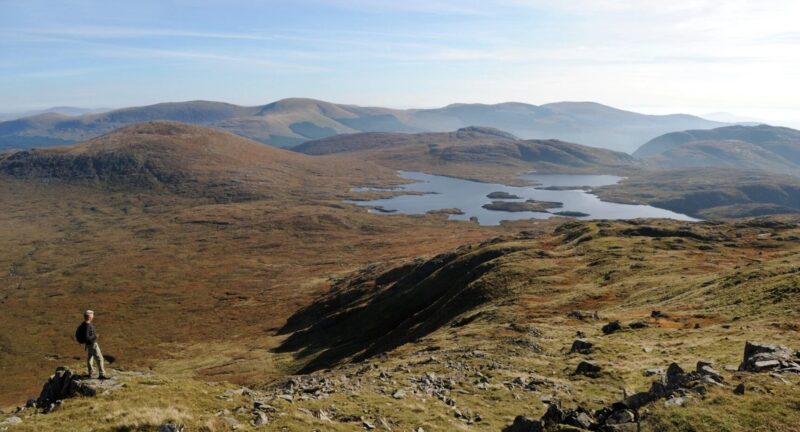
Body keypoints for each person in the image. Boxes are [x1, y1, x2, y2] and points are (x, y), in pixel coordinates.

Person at [75, 310, 108, 379]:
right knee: (100, 358)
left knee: (90, 358)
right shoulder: (87, 326)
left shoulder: (83, 324)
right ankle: (102, 374)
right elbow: (87, 337)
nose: (93, 316)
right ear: (90, 317)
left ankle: (91, 372)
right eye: (92, 315)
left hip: (88, 344)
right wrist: (95, 336)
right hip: (92, 344)